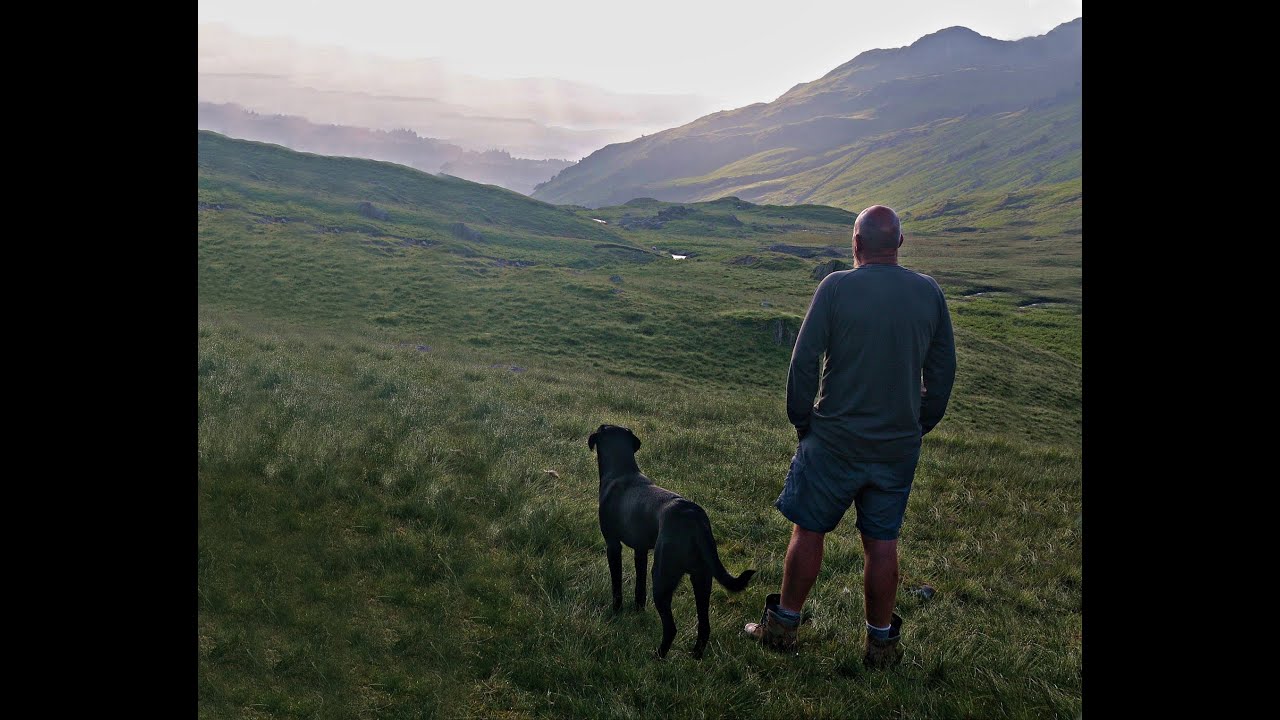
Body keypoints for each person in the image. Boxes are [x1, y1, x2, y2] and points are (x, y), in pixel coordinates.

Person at [743, 205, 956, 668]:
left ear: (855, 243)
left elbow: (803, 362)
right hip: (897, 445)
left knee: (810, 529)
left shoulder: (836, 287)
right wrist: (920, 423)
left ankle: (782, 628)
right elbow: (942, 372)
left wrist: (803, 421)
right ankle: (880, 646)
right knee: (882, 542)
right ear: (899, 244)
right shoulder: (928, 293)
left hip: (834, 439)